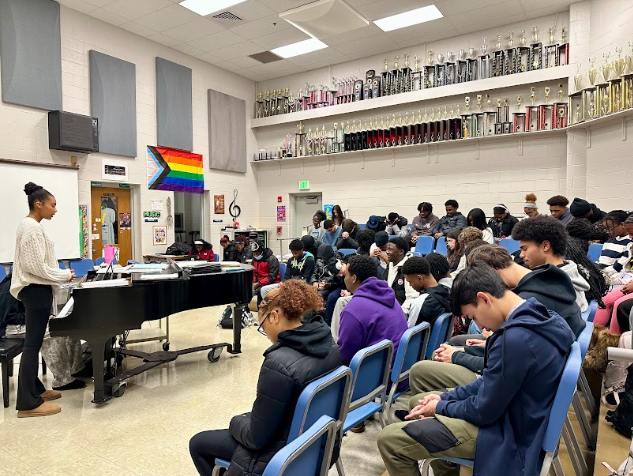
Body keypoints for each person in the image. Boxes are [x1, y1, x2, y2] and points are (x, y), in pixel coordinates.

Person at [378, 262, 574, 476]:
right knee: (421, 403)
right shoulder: (542, 315)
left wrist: (442, 407)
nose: (480, 327)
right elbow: (489, 383)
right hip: (522, 417)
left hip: (508, 434)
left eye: (473, 317)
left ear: (484, 298)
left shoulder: (516, 339)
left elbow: (484, 410)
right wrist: (445, 399)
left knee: (390, 441)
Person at [189, 280, 341, 476]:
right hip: (319, 446)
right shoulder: (331, 345)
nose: (266, 333)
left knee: (198, 443)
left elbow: (256, 438)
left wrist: (236, 420)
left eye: (263, 325)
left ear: (275, 316)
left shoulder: (278, 363)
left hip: (283, 457)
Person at [10, 182, 75, 417]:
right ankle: (28, 404)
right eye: (53, 205)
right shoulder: (31, 228)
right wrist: (64, 275)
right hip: (35, 290)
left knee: (34, 343)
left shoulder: (32, 226)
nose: (55, 210)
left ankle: (35, 389)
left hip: (37, 290)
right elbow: (35, 267)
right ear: (39, 204)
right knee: (32, 345)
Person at [1, 273, 86, 392]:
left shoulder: (26, 282)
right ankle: (62, 381)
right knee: (52, 332)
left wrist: (46, 315)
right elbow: (9, 317)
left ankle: (76, 368)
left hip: (23, 322)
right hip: (10, 328)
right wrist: (39, 319)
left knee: (66, 327)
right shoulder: (9, 288)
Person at [338, 255, 408, 365]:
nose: (343, 277)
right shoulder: (389, 295)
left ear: (354, 278)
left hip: (376, 377)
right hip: (399, 368)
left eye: (346, 274)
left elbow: (345, 355)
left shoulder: (353, 309)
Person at [512, 215, 590, 312]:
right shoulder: (567, 274)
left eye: (525, 249)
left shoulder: (554, 286)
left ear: (545, 246)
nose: (521, 255)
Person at [594, 215, 633, 333]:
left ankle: (613, 340)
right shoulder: (630, 245)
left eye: (632, 233)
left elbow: (620, 266)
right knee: (604, 300)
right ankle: (594, 337)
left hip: (622, 276)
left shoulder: (628, 244)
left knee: (619, 304)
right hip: (628, 279)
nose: (630, 237)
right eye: (629, 234)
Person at [403, 257, 451, 327]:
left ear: (420, 278)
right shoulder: (447, 291)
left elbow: (409, 333)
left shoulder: (419, 303)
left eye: (410, 282)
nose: (410, 285)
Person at [385, 237, 419, 315]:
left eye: (390, 249)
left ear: (401, 252)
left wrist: (398, 314)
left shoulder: (409, 269)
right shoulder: (390, 265)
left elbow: (412, 297)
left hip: (400, 313)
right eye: (387, 249)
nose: (387, 252)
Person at [598, 210, 632, 278]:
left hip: (616, 276)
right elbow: (601, 261)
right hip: (602, 274)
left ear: (622, 225)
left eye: (610, 228)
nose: (608, 232)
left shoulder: (630, 242)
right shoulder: (609, 241)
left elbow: (619, 266)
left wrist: (601, 274)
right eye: (606, 229)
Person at [251, 240, 280, 305]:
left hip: (271, 282)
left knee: (259, 290)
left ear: (262, 251)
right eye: (254, 254)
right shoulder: (254, 260)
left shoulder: (272, 259)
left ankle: (261, 310)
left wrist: (258, 283)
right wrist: (253, 282)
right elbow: (254, 273)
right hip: (260, 282)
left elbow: (272, 277)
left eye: (257, 253)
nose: (255, 255)